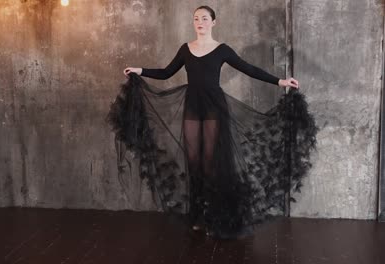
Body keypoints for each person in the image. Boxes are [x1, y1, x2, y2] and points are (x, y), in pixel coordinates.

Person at [112, 5, 316, 239]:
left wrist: (280, 81)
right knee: (194, 163)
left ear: (213, 22)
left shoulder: (222, 50)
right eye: (196, 18)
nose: (200, 22)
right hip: (192, 106)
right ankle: (198, 216)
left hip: (213, 108)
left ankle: (214, 216)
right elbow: (167, 72)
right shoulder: (186, 49)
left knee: (211, 164)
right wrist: (140, 70)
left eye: (204, 18)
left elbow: (249, 69)